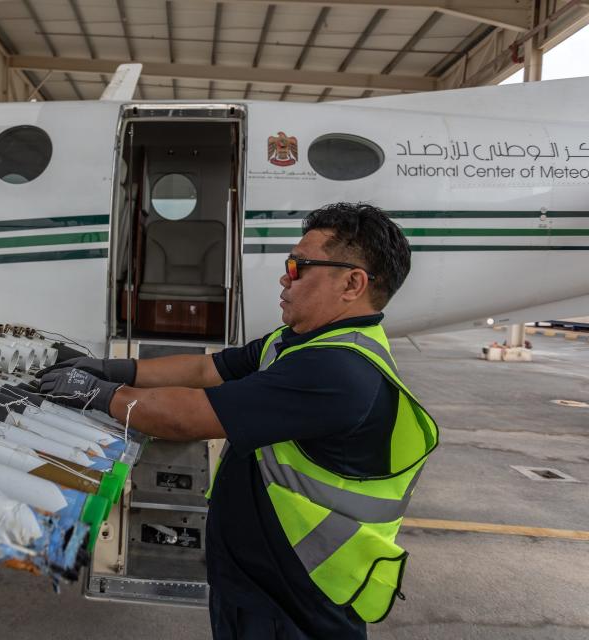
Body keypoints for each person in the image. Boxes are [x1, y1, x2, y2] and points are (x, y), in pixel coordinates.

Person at [39, 203, 439, 640]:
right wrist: (112, 369)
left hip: (297, 601)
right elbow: (205, 370)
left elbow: (189, 418)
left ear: (352, 283)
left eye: (299, 266)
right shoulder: (299, 343)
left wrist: (98, 393)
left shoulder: (338, 370)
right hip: (259, 585)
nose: (286, 277)